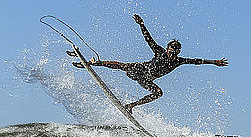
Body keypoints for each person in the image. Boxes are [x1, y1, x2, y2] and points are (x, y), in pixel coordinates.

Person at [72, 14, 228, 113]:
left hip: (145, 80)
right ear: (168, 48)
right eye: (171, 49)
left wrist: (214, 62)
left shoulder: (178, 61)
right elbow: (148, 38)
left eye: (176, 50)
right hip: (141, 69)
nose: (173, 52)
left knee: (159, 93)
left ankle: (131, 106)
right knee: (124, 66)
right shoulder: (160, 51)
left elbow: (196, 61)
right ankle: (95, 63)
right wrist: (141, 24)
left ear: (178, 52)